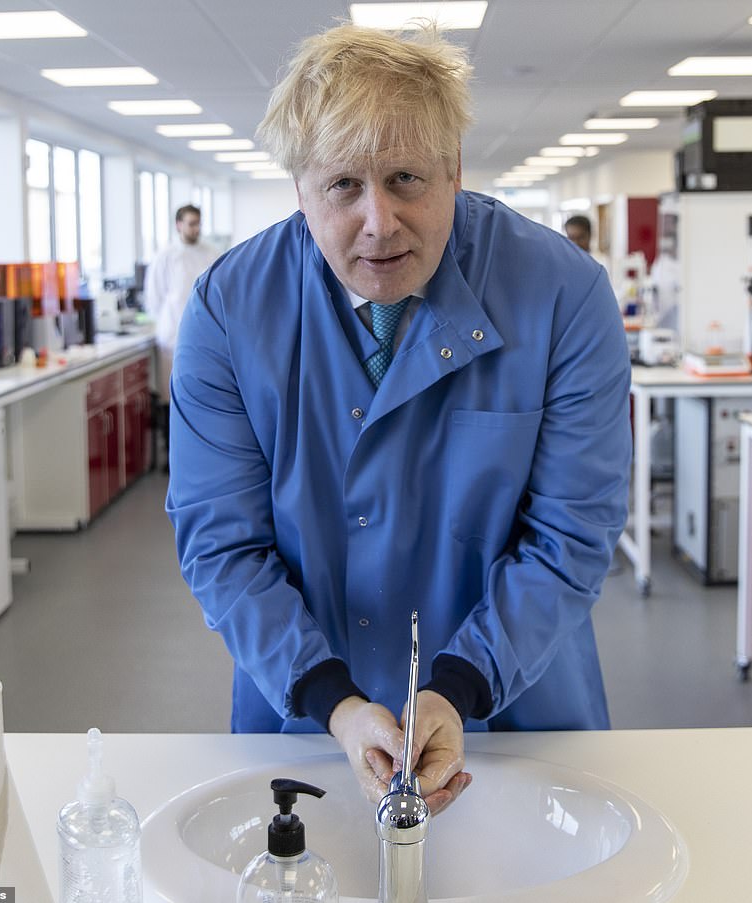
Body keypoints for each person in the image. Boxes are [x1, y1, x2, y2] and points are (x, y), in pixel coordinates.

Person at [167, 24, 631, 816]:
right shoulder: (228, 312)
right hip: (309, 721)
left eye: (407, 178)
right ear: (299, 188)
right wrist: (338, 704)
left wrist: (459, 687)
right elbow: (222, 543)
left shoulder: (563, 297)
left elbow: (572, 534)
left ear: (454, 170)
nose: (378, 221)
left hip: (512, 717)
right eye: (343, 185)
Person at [143, 204, 218, 462]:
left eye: (198, 223)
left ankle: (201, 453)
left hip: (206, 339)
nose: (195, 228)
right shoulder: (166, 256)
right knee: (170, 396)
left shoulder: (211, 254)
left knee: (203, 394)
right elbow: (154, 298)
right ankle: (172, 455)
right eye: (190, 223)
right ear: (178, 225)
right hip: (171, 337)